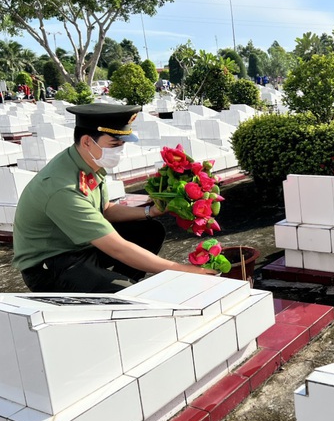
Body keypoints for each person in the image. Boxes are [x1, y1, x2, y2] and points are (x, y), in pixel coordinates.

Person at [12, 103, 215, 293]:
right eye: (114, 144)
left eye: (121, 144)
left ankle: (116, 287)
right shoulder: (62, 188)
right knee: (125, 293)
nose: (119, 150)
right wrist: (182, 269)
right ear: (87, 142)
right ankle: (117, 293)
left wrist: (150, 211)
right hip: (52, 264)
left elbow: (105, 209)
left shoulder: (87, 161)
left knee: (149, 229)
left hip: (80, 245)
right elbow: (118, 249)